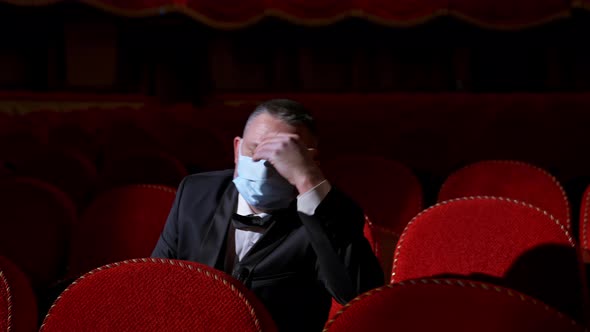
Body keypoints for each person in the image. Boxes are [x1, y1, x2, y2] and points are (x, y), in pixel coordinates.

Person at [152, 99, 384, 331]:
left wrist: (307, 180)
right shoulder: (196, 192)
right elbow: (158, 280)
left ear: (310, 161)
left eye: (279, 157)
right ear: (237, 149)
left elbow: (357, 296)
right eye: (254, 150)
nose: (262, 166)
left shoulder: (330, 214)